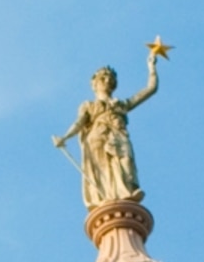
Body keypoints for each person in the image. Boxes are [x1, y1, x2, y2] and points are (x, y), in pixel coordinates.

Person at [53, 44, 168, 209]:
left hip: (119, 135)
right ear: (95, 83)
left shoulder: (121, 104)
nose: (108, 81)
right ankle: (108, 199)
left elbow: (150, 89)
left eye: (110, 79)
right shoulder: (89, 105)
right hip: (98, 137)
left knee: (126, 164)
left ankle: (126, 194)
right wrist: (65, 137)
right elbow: (79, 122)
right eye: (103, 78)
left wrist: (151, 68)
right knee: (104, 171)